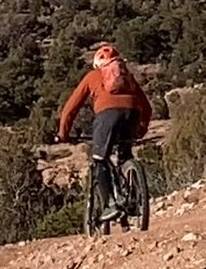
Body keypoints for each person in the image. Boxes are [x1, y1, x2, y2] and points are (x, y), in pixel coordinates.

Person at [58, 44, 152, 222]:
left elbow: (70, 108)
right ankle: (131, 197)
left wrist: (63, 133)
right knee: (124, 156)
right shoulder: (128, 78)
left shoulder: (93, 76)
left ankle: (109, 204)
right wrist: (141, 129)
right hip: (132, 114)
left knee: (100, 159)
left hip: (108, 116)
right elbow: (147, 107)